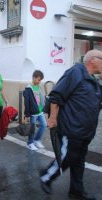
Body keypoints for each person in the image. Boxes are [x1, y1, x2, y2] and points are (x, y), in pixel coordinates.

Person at [40, 50, 102, 200]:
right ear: (92, 60)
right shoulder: (76, 72)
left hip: (86, 131)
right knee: (68, 156)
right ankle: (46, 176)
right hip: (72, 129)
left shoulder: (94, 81)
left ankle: (76, 191)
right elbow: (56, 96)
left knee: (79, 161)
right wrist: (53, 119)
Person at [23, 70, 47, 150]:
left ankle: (36, 140)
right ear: (34, 77)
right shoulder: (28, 88)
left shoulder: (38, 87)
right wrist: (27, 115)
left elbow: (40, 99)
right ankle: (30, 143)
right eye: (38, 79)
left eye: (40, 80)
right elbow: (26, 103)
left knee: (44, 125)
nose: (39, 81)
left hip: (40, 111)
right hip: (33, 113)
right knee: (32, 128)